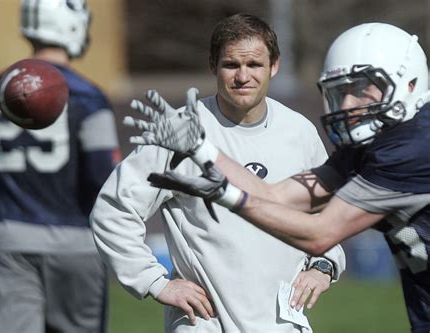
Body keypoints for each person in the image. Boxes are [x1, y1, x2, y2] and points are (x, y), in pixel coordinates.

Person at [130, 22, 430, 333]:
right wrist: (201, 149)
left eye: (362, 90)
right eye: (342, 92)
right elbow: (277, 196)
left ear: (409, 84)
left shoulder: (413, 150)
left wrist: (226, 195)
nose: (348, 105)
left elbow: (319, 234)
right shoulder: (376, 144)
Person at [91, 13, 345, 332]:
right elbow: (113, 211)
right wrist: (154, 282)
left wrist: (324, 264)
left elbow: (329, 215)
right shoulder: (180, 131)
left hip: (283, 320)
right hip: (204, 322)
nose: (243, 76)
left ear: (274, 66)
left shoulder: (300, 132)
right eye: (231, 65)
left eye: (254, 64)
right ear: (213, 66)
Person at [0, 0, 121, 332]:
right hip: (77, 244)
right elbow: (102, 178)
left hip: (12, 240)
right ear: (72, 24)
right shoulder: (89, 98)